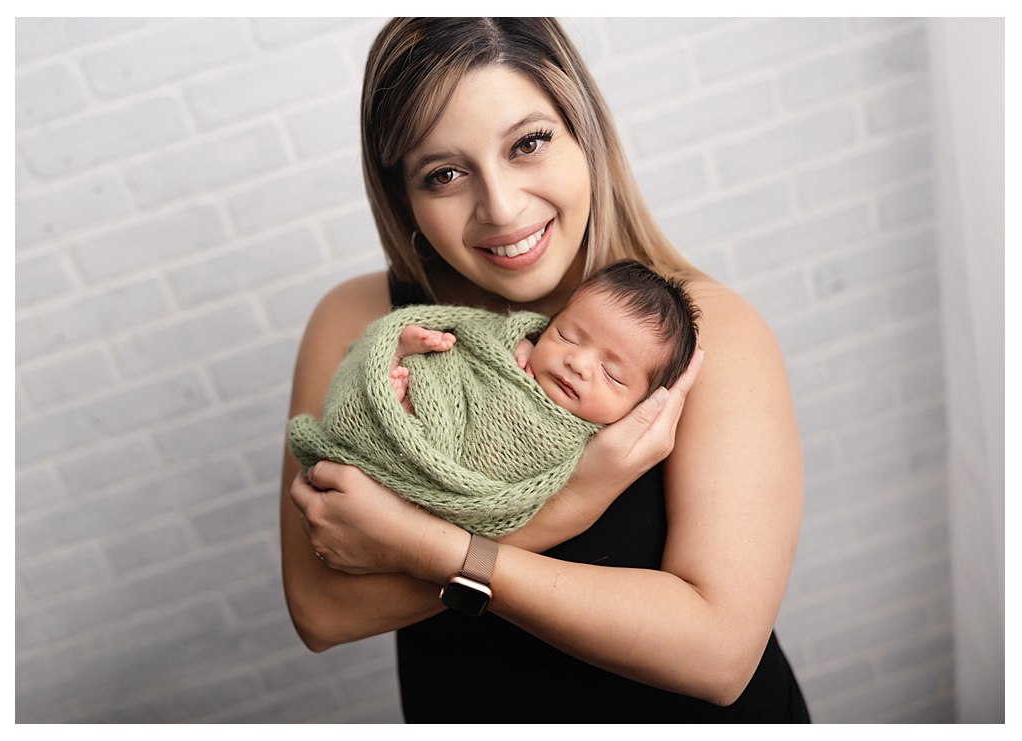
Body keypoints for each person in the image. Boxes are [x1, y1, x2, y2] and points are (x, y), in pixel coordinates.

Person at [282, 17, 809, 722]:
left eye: (528, 143)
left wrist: (420, 545)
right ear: (403, 196)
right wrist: (571, 502)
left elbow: (718, 655)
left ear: (584, 131)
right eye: (443, 174)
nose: (501, 207)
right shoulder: (363, 322)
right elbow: (322, 611)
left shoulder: (714, 333)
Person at [287, 258, 700, 539]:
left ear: (644, 405)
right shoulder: (515, 345)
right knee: (417, 358)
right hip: (439, 393)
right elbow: (480, 340)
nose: (578, 363)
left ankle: (403, 418)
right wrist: (514, 346)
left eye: (612, 374)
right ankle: (395, 386)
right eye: (568, 336)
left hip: (449, 478)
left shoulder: (598, 443)